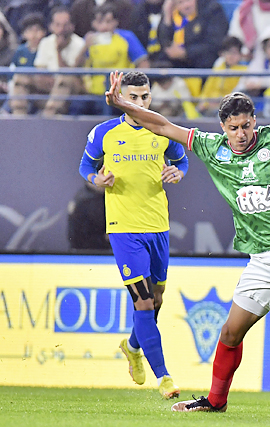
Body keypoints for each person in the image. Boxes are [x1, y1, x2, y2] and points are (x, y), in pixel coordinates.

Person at [104, 71, 270, 412]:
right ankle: (215, 402)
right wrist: (123, 105)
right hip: (260, 260)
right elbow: (161, 125)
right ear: (223, 128)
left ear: (255, 122)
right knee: (230, 334)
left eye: (246, 126)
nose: (241, 134)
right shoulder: (212, 149)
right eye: (233, 128)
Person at [78, 71, 189, 399]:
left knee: (155, 301)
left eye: (145, 97)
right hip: (124, 229)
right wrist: (97, 180)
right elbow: (85, 167)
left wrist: (177, 173)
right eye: (133, 97)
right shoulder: (104, 133)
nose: (140, 103)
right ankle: (165, 377)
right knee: (142, 302)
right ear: (122, 98)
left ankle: (131, 346)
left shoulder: (162, 129)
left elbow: (182, 163)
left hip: (158, 227)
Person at [76, 3, 150, 114]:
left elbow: (144, 64)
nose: (104, 27)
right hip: (94, 93)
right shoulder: (89, 40)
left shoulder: (127, 37)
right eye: (100, 22)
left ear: (116, 22)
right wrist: (85, 47)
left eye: (108, 21)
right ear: (93, 23)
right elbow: (77, 66)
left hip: (123, 94)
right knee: (77, 106)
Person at [12, 7, 86, 116]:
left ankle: (49, 116)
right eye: (58, 25)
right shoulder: (46, 42)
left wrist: (58, 51)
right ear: (51, 26)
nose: (61, 29)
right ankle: (18, 116)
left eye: (65, 25)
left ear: (72, 26)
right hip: (49, 82)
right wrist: (46, 78)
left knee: (64, 79)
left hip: (72, 87)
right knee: (21, 76)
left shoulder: (80, 44)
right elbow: (40, 69)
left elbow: (72, 74)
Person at [197, 36, 247, 116]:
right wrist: (204, 103)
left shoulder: (244, 71)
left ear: (240, 55)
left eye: (234, 53)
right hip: (209, 105)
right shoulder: (218, 68)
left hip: (227, 108)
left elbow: (236, 93)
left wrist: (220, 104)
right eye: (228, 52)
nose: (231, 56)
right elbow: (207, 89)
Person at [7, 12, 46, 114]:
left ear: (44, 32)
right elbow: (12, 72)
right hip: (22, 91)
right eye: (30, 31)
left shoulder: (47, 48)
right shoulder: (20, 51)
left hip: (42, 91)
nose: (34, 35)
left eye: (37, 30)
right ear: (24, 34)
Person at [67, 182, 112, 251]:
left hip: (104, 251)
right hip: (88, 252)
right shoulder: (84, 201)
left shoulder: (105, 197)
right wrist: (105, 238)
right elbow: (77, 237)